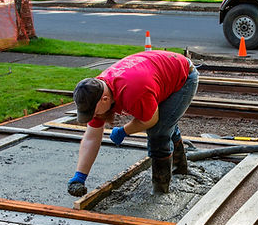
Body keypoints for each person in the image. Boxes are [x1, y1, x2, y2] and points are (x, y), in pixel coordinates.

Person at [67, 50, 198, 195]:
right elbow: (91, 137)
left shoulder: (133, 92)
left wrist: (124, 131)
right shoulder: (95, 93)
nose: (94, 115)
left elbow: (149, 120)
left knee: (158, 131)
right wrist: (80, 176)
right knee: (166, 122)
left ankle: (161, 190)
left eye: (94, 112)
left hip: (184, 76)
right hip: (156, 74)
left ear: (105, 99)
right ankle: (180, 169)